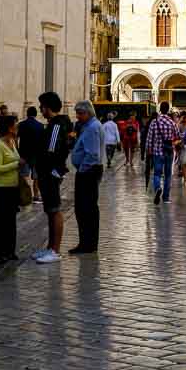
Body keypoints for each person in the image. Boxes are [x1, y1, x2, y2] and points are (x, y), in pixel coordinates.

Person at [33, 92, 72, 264]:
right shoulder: (53, 124)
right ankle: (50, 247)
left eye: (41, 106)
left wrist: (53, 170)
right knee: (50, 210)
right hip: (47, 172)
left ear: (47, 106)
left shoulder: (56, 125)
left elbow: (52, 151)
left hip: (50, 173)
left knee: (54, 210)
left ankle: (55, 250)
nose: (40, 109)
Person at [0, 115, 22, 265]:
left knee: (10, 220)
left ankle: (9, 251)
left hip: (12, 187)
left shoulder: (13, 142)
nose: (18, 127)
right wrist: (16, 164)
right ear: (9, 127)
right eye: (16, 125)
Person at [70, 100, 104, 254]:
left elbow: (93, 154)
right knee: (86, 209)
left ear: (88, 112)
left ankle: (87, 244)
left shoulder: (92, 128)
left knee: (85, 209)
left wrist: (82, 169)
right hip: (89, 171)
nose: (77, 116)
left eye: (80, 113)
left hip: (88, 172)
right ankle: (86, 242)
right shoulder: (90, 126)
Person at [146, 101, 179, 205]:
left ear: (160, 109)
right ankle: (166, 198)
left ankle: (157, 189)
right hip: (169, 151)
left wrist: (148, 149)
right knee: (168, 175)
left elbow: (149, 137)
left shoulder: (154, 122)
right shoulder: (172, 122)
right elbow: (177, 135)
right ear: (168, 109)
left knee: (157, 173)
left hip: (157, 151)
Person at [17, 107, 44, 203]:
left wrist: (17, 151)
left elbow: (16, 138)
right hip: (37, 155)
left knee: (24, 176)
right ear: (36, 114)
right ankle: (36, 195)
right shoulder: (40, 126)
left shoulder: (21, 125)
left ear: (27, 114)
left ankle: (24, 195)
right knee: (36, 177)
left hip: (24, 155)